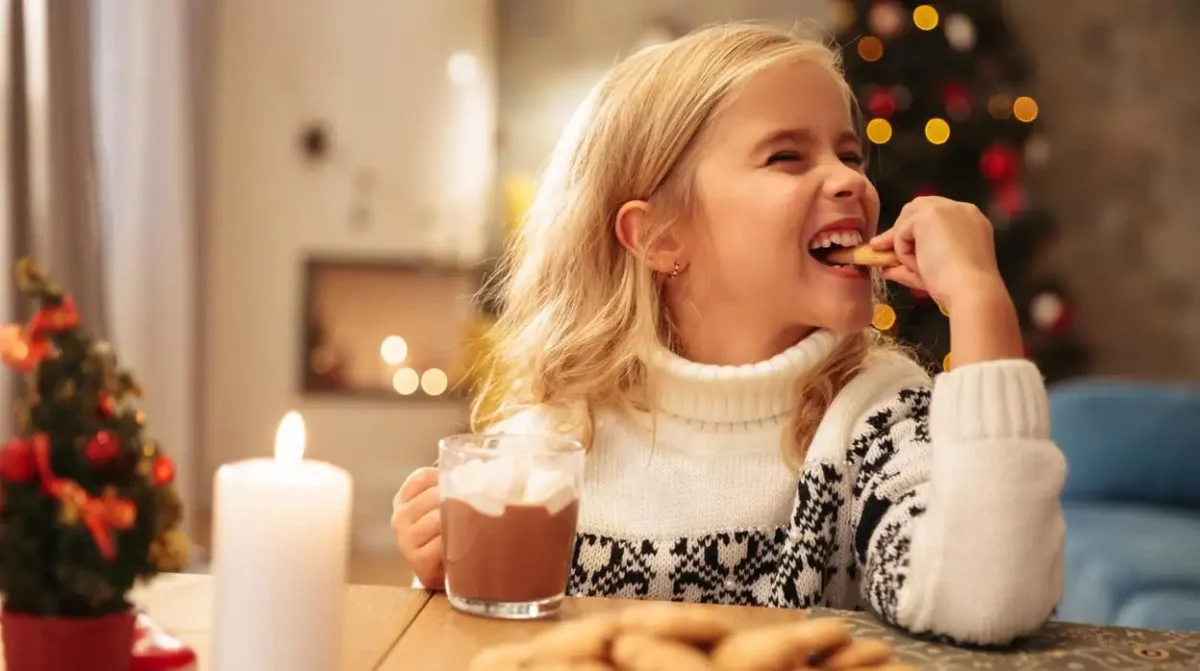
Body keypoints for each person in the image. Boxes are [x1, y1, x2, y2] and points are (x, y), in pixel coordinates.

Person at [392, 22, 1065, 646]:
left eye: (850, 154)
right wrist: (450, 568)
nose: (849, 181)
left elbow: (989, 598)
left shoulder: (874, 418)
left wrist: (979, 300)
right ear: (659, 235)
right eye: (787, 156)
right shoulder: (553, 439)